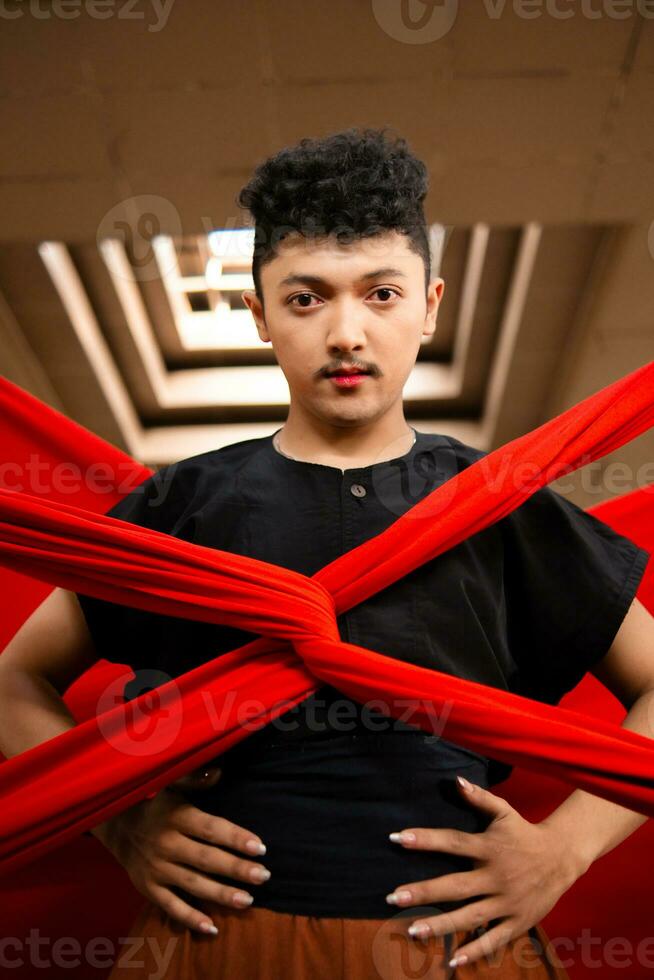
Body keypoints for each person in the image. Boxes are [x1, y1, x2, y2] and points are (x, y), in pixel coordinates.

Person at [1, 127, 652, 979]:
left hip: (455, 953)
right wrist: (120, 823)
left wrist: (564, 851)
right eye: (306, 299)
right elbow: (13, 678)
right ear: (261, 316)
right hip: (215, 948)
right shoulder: (185, 505)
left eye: (381, 294)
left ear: (430, 306)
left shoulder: (503, 505)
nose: (346, 332)